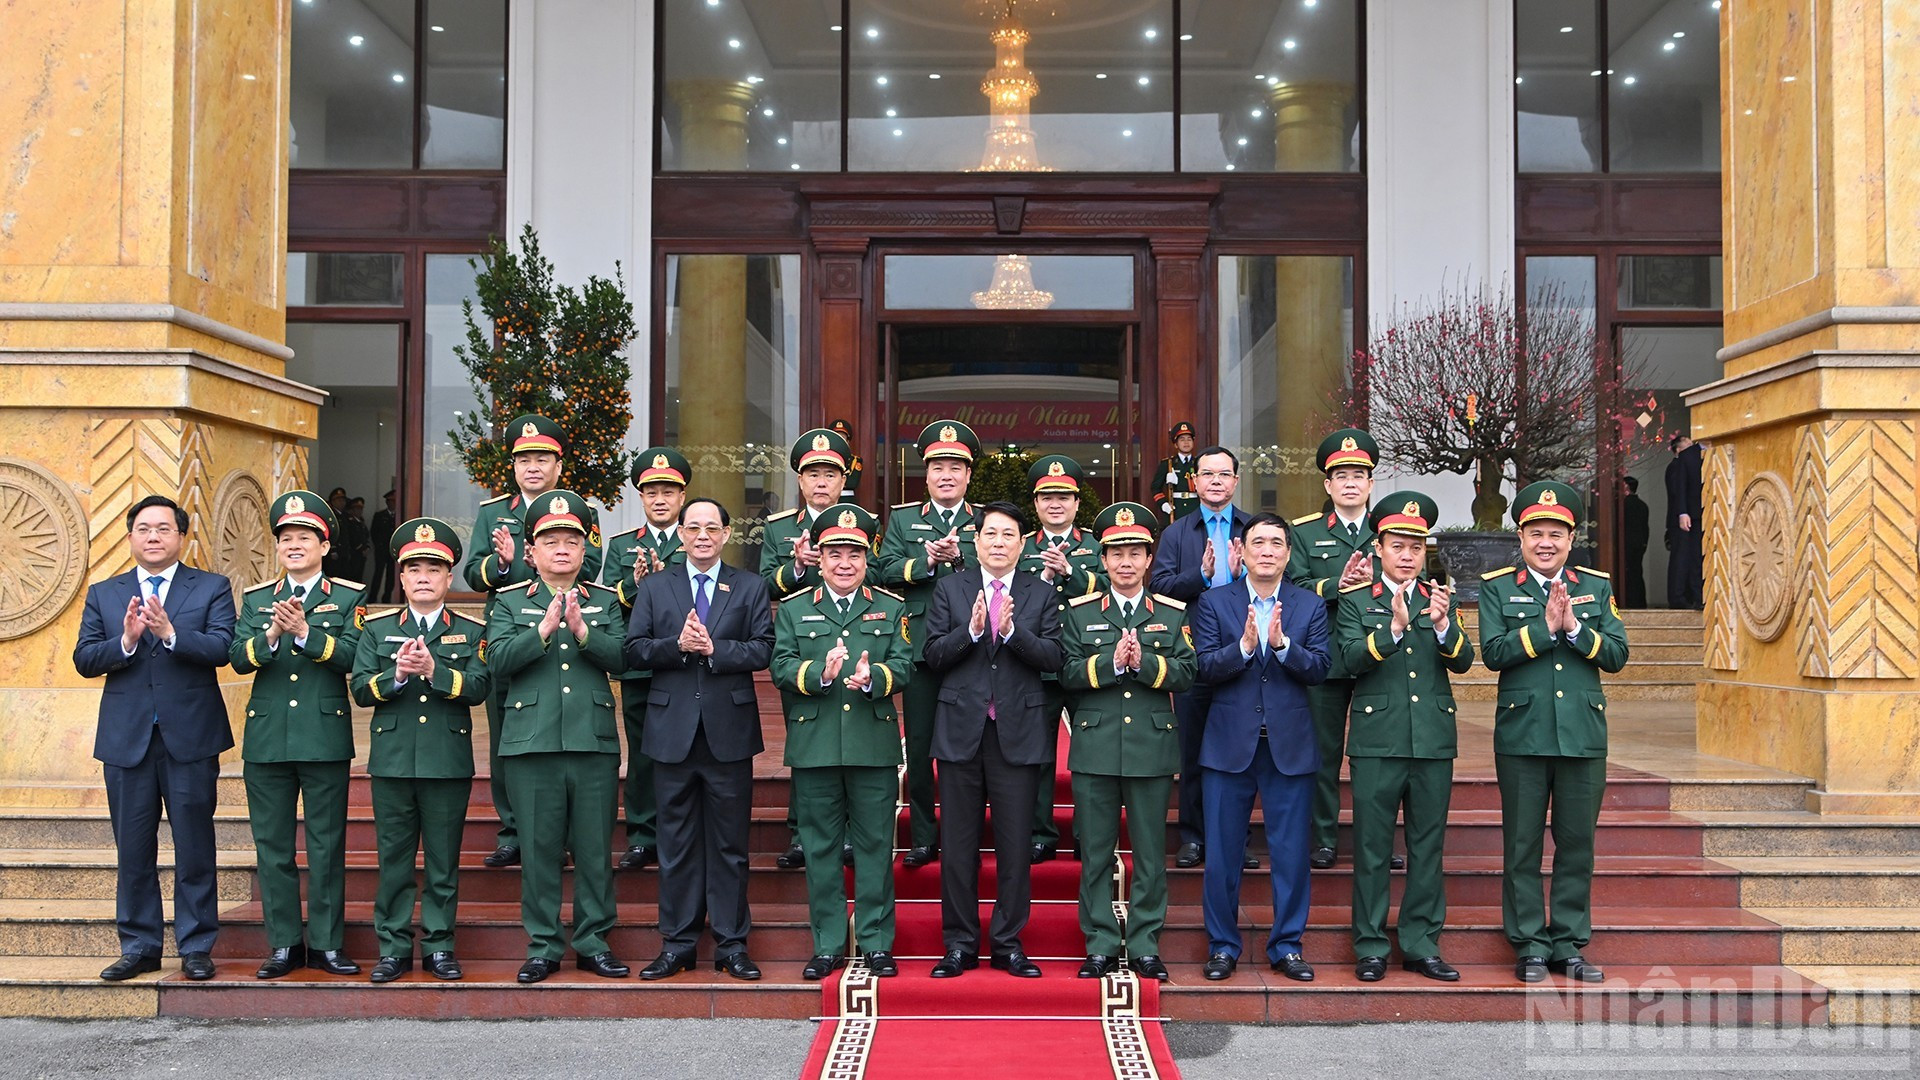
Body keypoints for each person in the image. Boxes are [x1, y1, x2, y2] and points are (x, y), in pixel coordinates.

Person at [73, 495, 235, 983]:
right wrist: (124, 642)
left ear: (181, 536)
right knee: (134, 850)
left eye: (164, 529)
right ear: (130, 537)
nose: (154, 537)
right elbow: (84, 658)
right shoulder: (105, 593)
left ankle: (197, 946)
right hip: (127, 741)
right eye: (144, 529)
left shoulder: (210, 587)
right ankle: (140, 945)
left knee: (194, 845)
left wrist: (169, 633)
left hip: (190, 737)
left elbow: (222, 648)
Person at [1478, 481, 1629, 985]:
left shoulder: (1597, 586)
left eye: (1556, 534)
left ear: (1571, 538)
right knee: (1521, 845)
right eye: (1536, 533)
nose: (1547, 542)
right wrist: (1544, 629)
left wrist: (1574, 630)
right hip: (1522, 735)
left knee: (1576, 843)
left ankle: (1567, 942)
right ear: (1520, 537)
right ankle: (1528, 943)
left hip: (1583, 735)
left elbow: (1616, 655)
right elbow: (1494, 653)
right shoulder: (1498, 587)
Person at [623, 498, 775, 983]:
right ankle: (678, 943)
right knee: (676, 843)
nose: (703, 536)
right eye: (694, 528)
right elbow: (634, 649)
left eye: (713, 527)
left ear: (727, 534)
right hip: (670, 735)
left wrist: (716, 650)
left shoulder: (749, 586)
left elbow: (764, 648)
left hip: (728, 734)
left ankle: (732, 944)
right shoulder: (655, 586)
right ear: (681, 534)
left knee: (730, 844)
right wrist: (676, 646)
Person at [482, 489, 630, 985]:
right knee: (540, 851)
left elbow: (626, 659)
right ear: (532, 551)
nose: (562, 548)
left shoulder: (606, 602)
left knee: (593, 850)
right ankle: (543, 945)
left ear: (586, 547)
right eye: (551, 540)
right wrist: (542, 631)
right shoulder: (507, 601)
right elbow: (496, 662)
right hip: (531, 744)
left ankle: (593, 941)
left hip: (592, 742)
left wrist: (584, 633)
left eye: (572, 540)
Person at [1333, 491, 1474, 983]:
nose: (1408, 555)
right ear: (1379, 549)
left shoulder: (1441, 599)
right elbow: (1346, 660)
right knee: (1372, 848)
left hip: (1433, 740)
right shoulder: (1355, 600)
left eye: (1416, 547)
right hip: (1377, 739)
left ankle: (1420, 943)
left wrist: (1440, 626)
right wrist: (1390, 632)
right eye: (1398, 545)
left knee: (1427, 847)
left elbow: (1463, 659)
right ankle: (1370, 945)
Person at [923, 501, 1065, 979]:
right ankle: (959, 944)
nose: (999, 542)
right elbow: (932, 654)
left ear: (1023, 545)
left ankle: (1008, 943)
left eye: (1009, 535)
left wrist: (1011, 630)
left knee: (1014, 846)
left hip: (1017, 733)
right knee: (958, 847)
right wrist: (972, 630)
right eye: (991, 534)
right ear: (976, 541)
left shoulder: (1040, 593)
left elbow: (1053, 658)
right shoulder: (950, 588)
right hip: (962, 731)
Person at [769, 504, 911, 980]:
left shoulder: (891, 608)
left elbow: (907, 665)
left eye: (854, 552)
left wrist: (876, 679)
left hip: (872, 746)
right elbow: (781, 665)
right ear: (820, 557)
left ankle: (874, 942)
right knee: (821, 849)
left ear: (867, 557)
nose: (844, 562)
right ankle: (828, 943)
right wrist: (819, 674)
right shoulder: (793, 608)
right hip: (815, 747)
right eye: (834, 553)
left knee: (874, 848)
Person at [228, 491, 366, 979]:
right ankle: (284, 943)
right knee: (273, 845)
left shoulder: (349, 597)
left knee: (327, 845)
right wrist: (270, 636)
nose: (293, 545)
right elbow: (238, 658)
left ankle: (327, 943)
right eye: (286, 538)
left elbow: (355, 658)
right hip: (267, 738)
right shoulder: (257, 598)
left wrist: (307, 634)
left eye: (304, 538)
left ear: (324, 546)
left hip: (323, 734)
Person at [1190, 512, 1330, 983]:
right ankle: (1223, 946)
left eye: (1276, 543)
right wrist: (1246, 648)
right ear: (1242, 553)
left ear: (1288, 554)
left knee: (1290, 853)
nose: (1267, 550)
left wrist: (1284, 645)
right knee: (1224, 854)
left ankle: (1287, 945)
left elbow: (1320, 669)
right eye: (1258, 543)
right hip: (1229, 747)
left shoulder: (1309, 606)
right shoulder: (1214, 603)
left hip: (1288, 747)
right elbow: (1204, 667)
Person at [351, 517, 491, 983]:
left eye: (434, 568)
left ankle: (439, 946)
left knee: (442, 861)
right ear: (402, 578)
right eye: (415, 569)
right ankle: (392, 947)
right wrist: (396, 677)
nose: (424, 576)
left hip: (446, 763)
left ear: (449, 577)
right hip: (392, 761)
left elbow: (477, 688)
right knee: (393, 861)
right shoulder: (376, 629)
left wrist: (434, 671)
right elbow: (360, 690)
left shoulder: (471, 631)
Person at [1059, 502, 1194, 982]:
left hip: (1151, 748)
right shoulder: (1079, 614)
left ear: (1149, 558)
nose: (1125, 562)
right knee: (1095, 852)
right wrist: (1111, 665)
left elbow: (1187, 672)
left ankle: (1143, 943)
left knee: (1150, 855)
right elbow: (1066, 673)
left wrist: (1145, 666)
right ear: (1103, 559)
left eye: (1135, 552)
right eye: (1116, 553)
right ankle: (1099, 942)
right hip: (1096, 746)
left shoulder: (1172, 615)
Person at [463, 414, 603, 868]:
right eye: (524, 460)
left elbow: (593, 566)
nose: (532, 467)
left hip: (568, 633)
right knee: (507, 736)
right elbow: (471, 573)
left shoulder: (583, 512)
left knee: (564, 737)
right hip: (510, 634)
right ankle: (513, 831)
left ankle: (560, 834)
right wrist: (503, 565)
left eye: (542, 458)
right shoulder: (492, 514)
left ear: (558, 465)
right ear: (513, 466)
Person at [873, 419, 983, 869]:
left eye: (956, 466)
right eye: (938, 465)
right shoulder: (902, 518)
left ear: (969, 474)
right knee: (919, 748)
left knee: (970, 748)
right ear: (926, 472)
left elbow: (1004, 567)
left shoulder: (985, 521)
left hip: (974, 649)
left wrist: (960, 558)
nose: (947, 474)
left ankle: (965, 833)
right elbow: (881, 569)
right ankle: (923, 835)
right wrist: (925, 561)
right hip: (919, 648)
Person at [1287, 428, 1397, 872]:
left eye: (1359, 475)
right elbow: (1291, 589)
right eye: (1341, 475)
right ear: (1328, 485)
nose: (1351, 483)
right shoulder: (1306, 533)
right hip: (1326, 657)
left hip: (1380, 657)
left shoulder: (1392, 533)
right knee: (1324, 755)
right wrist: (1337, 585)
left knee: (1383, 758)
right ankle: (1325, 838)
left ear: (1371, 485)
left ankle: (1380, 842)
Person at [1149, 445, 1252, 870]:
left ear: (1235, 480)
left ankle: (1235, 840)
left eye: (1223, 474)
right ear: (1194, 482)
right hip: (1192, 654)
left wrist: (1244, 573)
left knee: (1238, 753)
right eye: (1206, 474)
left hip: (1245, 651)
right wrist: (1203, 575)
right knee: (1192, 749)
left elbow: (1277, 579)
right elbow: (1160, 587)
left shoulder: (1252, 528)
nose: (1214, 481)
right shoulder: (1177, 532)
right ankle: (1192, 835)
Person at [761, 428, 857, 870]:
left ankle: (850, 833)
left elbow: (875, 575)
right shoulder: (781, 527)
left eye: (829, 474)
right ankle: (802, 835)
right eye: (812, 474)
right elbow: (763, 584)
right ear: (799, 481)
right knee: (805, 739)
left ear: (843, 479)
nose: (821, 482)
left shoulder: (862, 522)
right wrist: (797, 566)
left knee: (852, 741)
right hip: (801, 644)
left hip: (854, 643)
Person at [603, 447, 693, 872]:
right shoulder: (623, 545)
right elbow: (606, 603)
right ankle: (642, 835)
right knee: (641, 755)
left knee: (683, 751)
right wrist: (636, 585)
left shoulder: (697, 539)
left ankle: (679, 832)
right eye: (651, 491)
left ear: (682, 496)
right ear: (640, 497)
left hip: (683, 664)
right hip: (640, 665)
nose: (660, 499)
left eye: (668, 492)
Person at [1015, 454, 1105, 863]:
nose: (1056, 504)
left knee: (1089, 756)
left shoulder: (1097, 544)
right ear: (1035, 504)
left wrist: (1072, 573)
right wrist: (1045, 580)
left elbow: (1112, 590)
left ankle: (1088, 833)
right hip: (1037, 666)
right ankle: (1040, 833)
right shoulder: (1020, 547)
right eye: (1047, 497)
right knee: (1038, 756)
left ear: (1076, 501)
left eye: (1064, 497)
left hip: (1087, 661)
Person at [1664, 435, 1704, 609]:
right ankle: (1681, 597)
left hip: (1705, 513)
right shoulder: (1682, 461)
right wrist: (1683, 512)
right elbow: (1678, 490)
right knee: (1685, 558)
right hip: (1688, 517)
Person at [1154, 422, 1203, 521]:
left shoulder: (1200, 463)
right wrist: (1163, 504)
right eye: (1182, 439)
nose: (1186, 442)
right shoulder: (1168, 464)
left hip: (1196, 507)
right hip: (1176, 508)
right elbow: (1155, 488)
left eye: (1189, 439)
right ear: (1176, 444)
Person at [1622, 476, 1650, 609]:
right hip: (1639, 545)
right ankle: (1639, 602)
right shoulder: (1642, 505)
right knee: (1637, 572)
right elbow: (1646, 528)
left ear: (1626, 487)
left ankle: (1629, 601)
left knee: (1628, 573)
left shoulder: (1623, 506)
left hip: (1626, 544)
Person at [369, 489, 398, 603]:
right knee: (378, 574)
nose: (392, 504)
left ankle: (386, 598)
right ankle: (372, 597)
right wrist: (378, 546)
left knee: (391, 576)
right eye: (390, 501)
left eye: (394, 501)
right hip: (381, 550)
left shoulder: (399, 516)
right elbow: (374, 532)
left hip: (392, 551)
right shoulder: (380, 515)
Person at [828, 418, 865, 501]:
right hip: (828, 499)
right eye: (836, 438)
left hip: (847, 499)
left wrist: (831, 479)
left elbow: (852, 483)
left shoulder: (855, 461)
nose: (839, 442)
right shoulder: (825, 460)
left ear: (848, 441)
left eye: (842, 438)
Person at [342, 497, 372, 582]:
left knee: (359, 576)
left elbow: (366, 536)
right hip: (354, 554)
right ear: (352, 510)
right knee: (352, 577)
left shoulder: (361, 522)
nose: (359, 511)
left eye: (361, 509)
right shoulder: (350, 522)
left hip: (361, 555)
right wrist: (361, 548)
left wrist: (367, 547)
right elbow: (352, 537)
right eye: (357, 509)